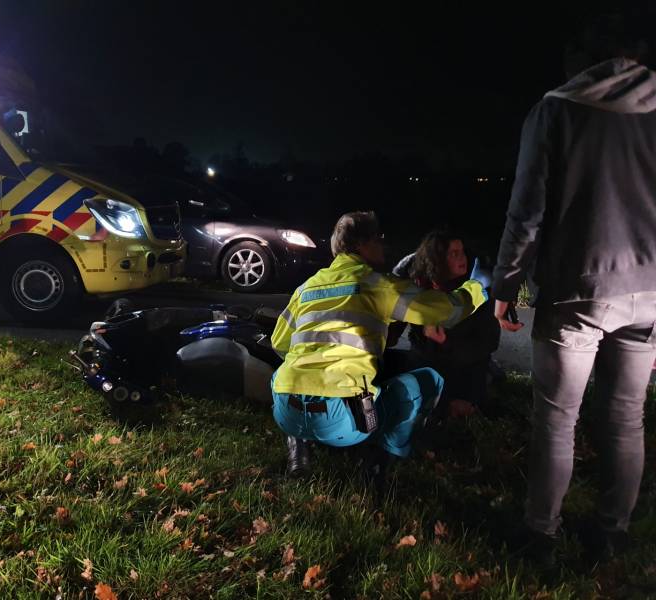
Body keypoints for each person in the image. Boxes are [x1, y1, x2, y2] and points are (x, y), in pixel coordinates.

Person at [492, 13, 656, 565]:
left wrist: (506, 283)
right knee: (626, 415)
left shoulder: (555, 110)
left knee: (558, 419)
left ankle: (541, 535)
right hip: (650, 292)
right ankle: (612, 533)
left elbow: (527, 212)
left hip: (578, 289)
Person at [271, 211, 492, 482]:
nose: (383, 245)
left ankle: (298, 450)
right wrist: (478, 287)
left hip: (286, 413)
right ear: (361, 245)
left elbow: (279, 343)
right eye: (378, 238)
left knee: (284, 374)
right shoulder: (377, 284)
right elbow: (445, 311)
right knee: (427, 381)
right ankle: (378, 462)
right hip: (342, 422)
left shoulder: (306, 288)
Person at [388, 230, 501, 419]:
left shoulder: (478, 289)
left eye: (462, 252)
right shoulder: (417, 286)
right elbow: (394, 326)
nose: (462, 258)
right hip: (423, 359)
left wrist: (446, 342)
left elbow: (488, 342)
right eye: (453, 253)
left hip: (465, 363)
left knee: (463, 403)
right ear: (436, 259)